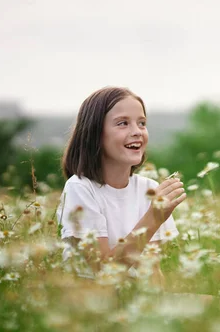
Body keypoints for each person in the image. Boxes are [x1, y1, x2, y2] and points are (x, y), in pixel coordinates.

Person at [57, 86, 186, 285]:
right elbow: (104, 273)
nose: (136, 132)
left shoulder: (148, 189)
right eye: (122, 123)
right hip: (94, 304)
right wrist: (154, 217)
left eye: (142, 123)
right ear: (95, 133)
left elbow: (152, 271)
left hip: (139, 301)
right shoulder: (80, 188)